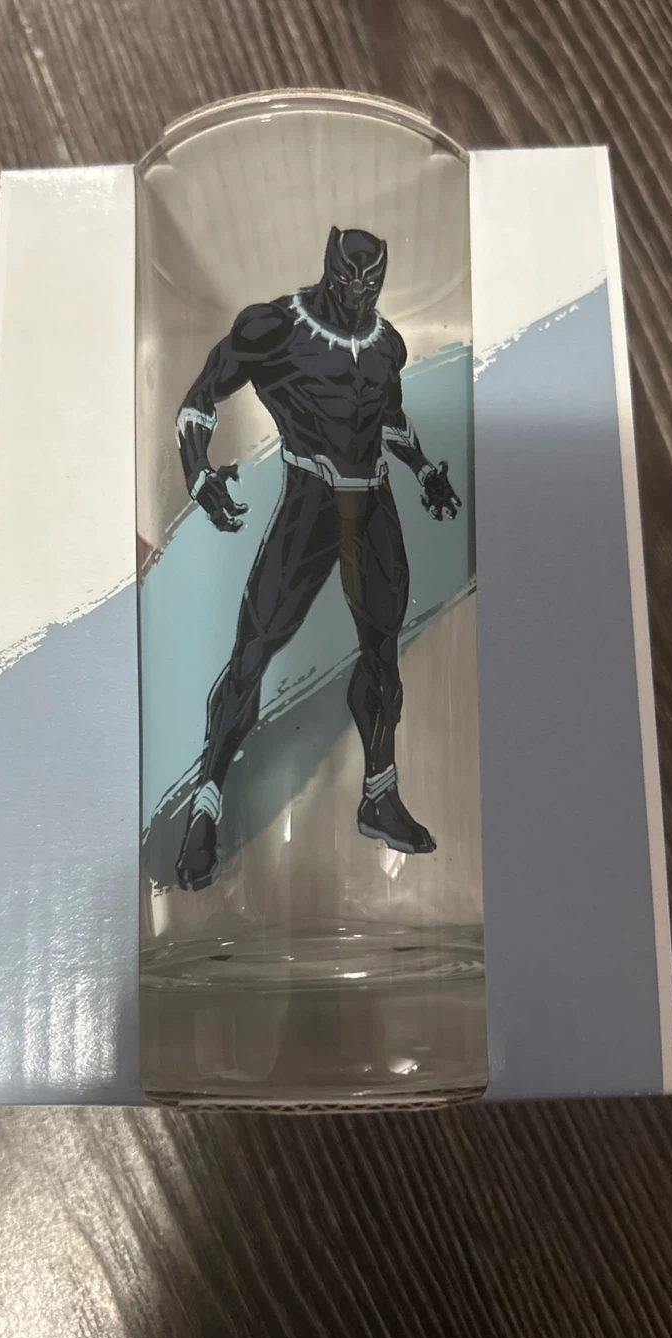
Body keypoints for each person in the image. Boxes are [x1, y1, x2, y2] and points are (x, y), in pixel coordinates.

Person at [174, 225, 460, 891]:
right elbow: (201, 396)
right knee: (253, 653)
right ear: (329, 270)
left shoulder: (388, 344)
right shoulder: (275, 328)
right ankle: (206, 805)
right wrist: (197, 473)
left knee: (383, 655)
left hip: (374, 507)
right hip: (309, 506)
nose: (359, 295)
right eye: (348, 282)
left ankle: (379, 797)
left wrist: (423, 471)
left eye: (371, 284)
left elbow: (388, 418)